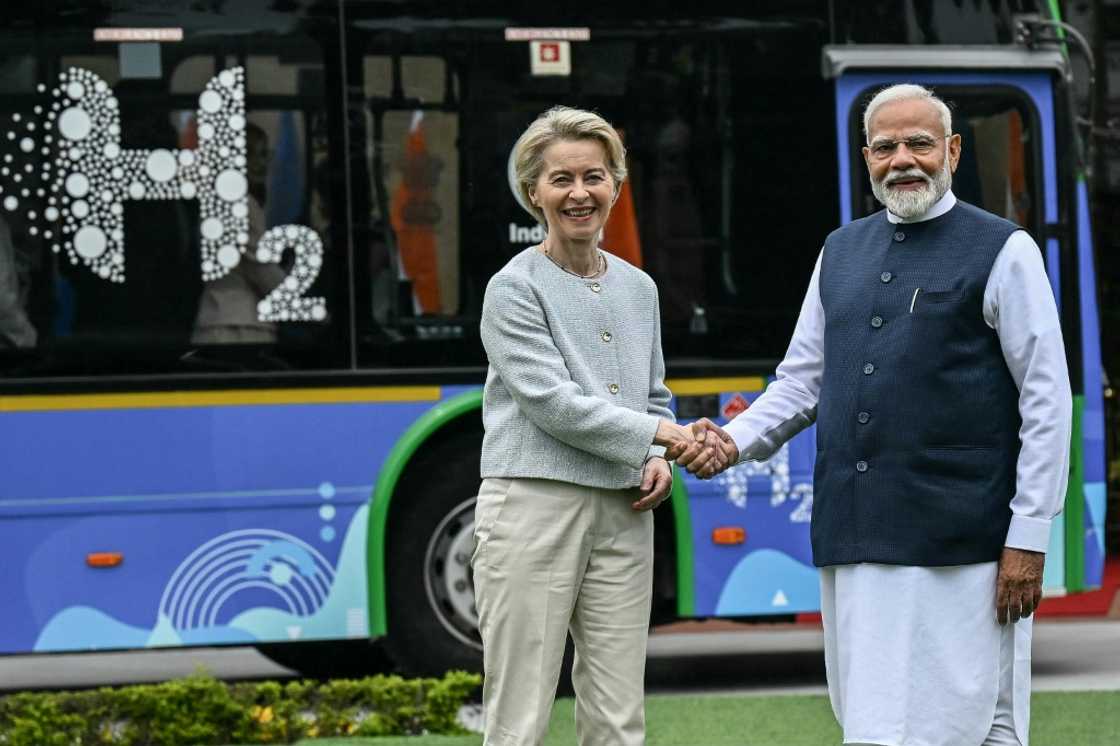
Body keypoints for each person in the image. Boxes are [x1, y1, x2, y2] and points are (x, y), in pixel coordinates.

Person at [675, 84, 1071, 746]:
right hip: (855, 531)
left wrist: (1027, 537)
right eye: (886, 146)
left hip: (961, 542)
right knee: (874, 722)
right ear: (866, 157)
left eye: (919, 143)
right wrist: (734, 442)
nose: (903, 159)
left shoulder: (1005, 250)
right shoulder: (839, 251)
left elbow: (1046, 398)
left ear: (951, 150)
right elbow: (802, 381)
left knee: (975, 720)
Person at [474, 105, 721, 745]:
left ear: (617, 185)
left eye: (594, 176)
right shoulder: (512, 288)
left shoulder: (639, 288)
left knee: (617, 716)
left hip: (624, 509)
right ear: (534, 192)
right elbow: (550, 403)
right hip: (533, 505)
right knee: (518, 715)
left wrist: (659, 455)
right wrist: (663, 437)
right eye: (561, 179)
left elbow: (654, 394)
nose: (579, 193)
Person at [191, 122, 285, 345]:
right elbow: (261, 268)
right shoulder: (241, 203)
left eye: (265, 154)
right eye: (254, 154)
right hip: (240, 327)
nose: (262, 163)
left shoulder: (216, 200)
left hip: (219, 320)